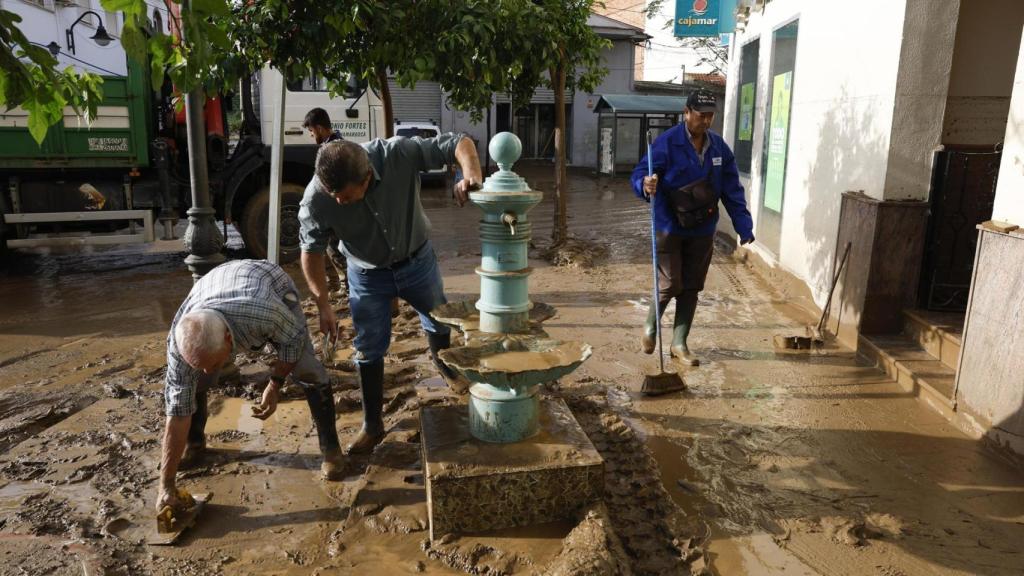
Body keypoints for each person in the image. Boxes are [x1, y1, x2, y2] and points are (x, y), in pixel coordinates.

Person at [299, 134, 482, 455]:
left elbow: (458, 142)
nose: (339, 202)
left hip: (417, 261)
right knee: (368, 347)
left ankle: (447, 370)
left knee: (439, 320)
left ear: (367, 176)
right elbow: (310, 253)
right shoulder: (317, 197)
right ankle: (372, 425)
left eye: (345, 197)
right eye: (334, 196)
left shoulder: (398, 153)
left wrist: (471, 175)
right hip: (366, 274)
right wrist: (323, 303)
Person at [156, 260, 343, 513]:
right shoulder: (179, 344)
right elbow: (176, 413)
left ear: (229, 339)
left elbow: (292, 343)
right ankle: (195, 445)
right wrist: (165, 485)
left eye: (213, 363)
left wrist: (275, 384)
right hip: (212, 284)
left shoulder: (264, 313)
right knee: (197, 381)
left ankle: (331, 451)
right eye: (199, 364)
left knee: (307, 368)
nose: (209, 370)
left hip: (271, 283)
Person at [632, 89, 754, 366]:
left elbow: (732, 189)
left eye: (710, 116)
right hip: (668, 225)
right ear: (686, 113)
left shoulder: (719, 148)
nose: (706, 121)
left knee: (691, 286)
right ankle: (651, 325)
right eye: (701, 115)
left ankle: (679, 343)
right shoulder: (666, 144)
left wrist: (742, 224)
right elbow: (641, 174)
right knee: (670, 281)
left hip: (701, 228)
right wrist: (645, 185)